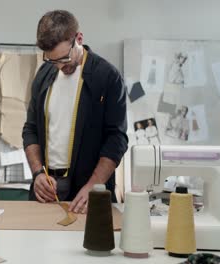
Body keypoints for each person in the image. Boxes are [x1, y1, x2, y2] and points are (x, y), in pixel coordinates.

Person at [22, 10, 128, 214]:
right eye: (52, 60)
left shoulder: (107, 76)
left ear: (79, 39)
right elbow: (30, 129)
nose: (60, 66)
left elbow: (117, 139)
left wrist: (94, 186)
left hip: (88, 189)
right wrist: (37, 174)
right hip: (47, 189)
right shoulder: (44, 74)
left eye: (64, 58)